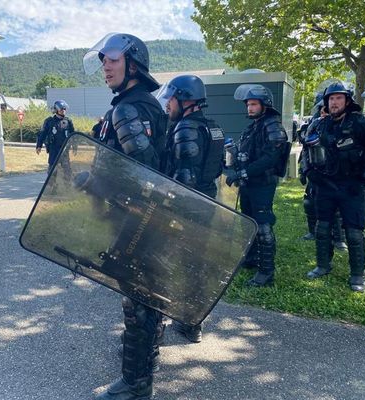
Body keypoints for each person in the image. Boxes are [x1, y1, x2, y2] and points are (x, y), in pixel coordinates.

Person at [83, 32, 167, 400]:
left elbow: (141, 175)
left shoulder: (130, 108)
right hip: (145, 219)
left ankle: (136, 383)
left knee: (138, 302)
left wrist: (97, 186)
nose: (105, 64)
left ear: (133, 63)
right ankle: (142, 361)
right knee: (145, 297)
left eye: (112, 57)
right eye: (102, 59)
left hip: (138, 220)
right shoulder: (141, 104)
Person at [158, 74, 224, 343]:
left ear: (185, 99)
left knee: (165, 263)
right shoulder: (213, 127)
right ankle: (192, 323)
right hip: (208, 202)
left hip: (187, 207)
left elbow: (185, 178)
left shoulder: (186, 128)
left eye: (171, 99)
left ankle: (157, 325)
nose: (167, 105)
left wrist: (167, 206)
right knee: (195, 263)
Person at [303, 82, 365, 292]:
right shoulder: (320, 124)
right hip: (325, 185)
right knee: (322, 228)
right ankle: (323, 265)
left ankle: (358, 274)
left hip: (352, 186)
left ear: (347, 100)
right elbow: (306, 150)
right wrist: (308, 172)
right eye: (331, 99)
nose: (334, 102)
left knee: (354, 233)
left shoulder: (363, 123)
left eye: (339, 98)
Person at [224, 84, 290, 287]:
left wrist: (243, 172)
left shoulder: (272, 125)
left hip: (262, 183)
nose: (249, 108)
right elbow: (249, 154)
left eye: (253, 104)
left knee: (262, 225)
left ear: (264, 104)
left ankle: (266, 272)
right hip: (249, 183)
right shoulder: (255, 125)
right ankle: (251, 259)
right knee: (248, 222)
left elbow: (270, 158)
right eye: (248, 105)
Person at [298, 94, 347, 251]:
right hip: (317, 172)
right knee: (310, 202)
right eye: (322, 108)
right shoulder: (315, 123)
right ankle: (312, 231)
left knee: (338, 207)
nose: (324, 110)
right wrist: (304, 170)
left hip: (338, 172)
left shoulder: (346, 123)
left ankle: (339, 238)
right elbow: (305, 147)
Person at [36, 100, 74, 173]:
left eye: (64, 109)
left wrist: (75, 146)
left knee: (67, 171)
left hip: (64, 149)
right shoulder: (49, 121)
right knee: (52, 171)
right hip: (53, 148)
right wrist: (39, 145)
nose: (63, 111)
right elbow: (42, 133)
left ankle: (67, 184)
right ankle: (51, 184)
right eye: (61, 109)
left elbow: (73, 134)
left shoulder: (68, 121)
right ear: (56, 110)